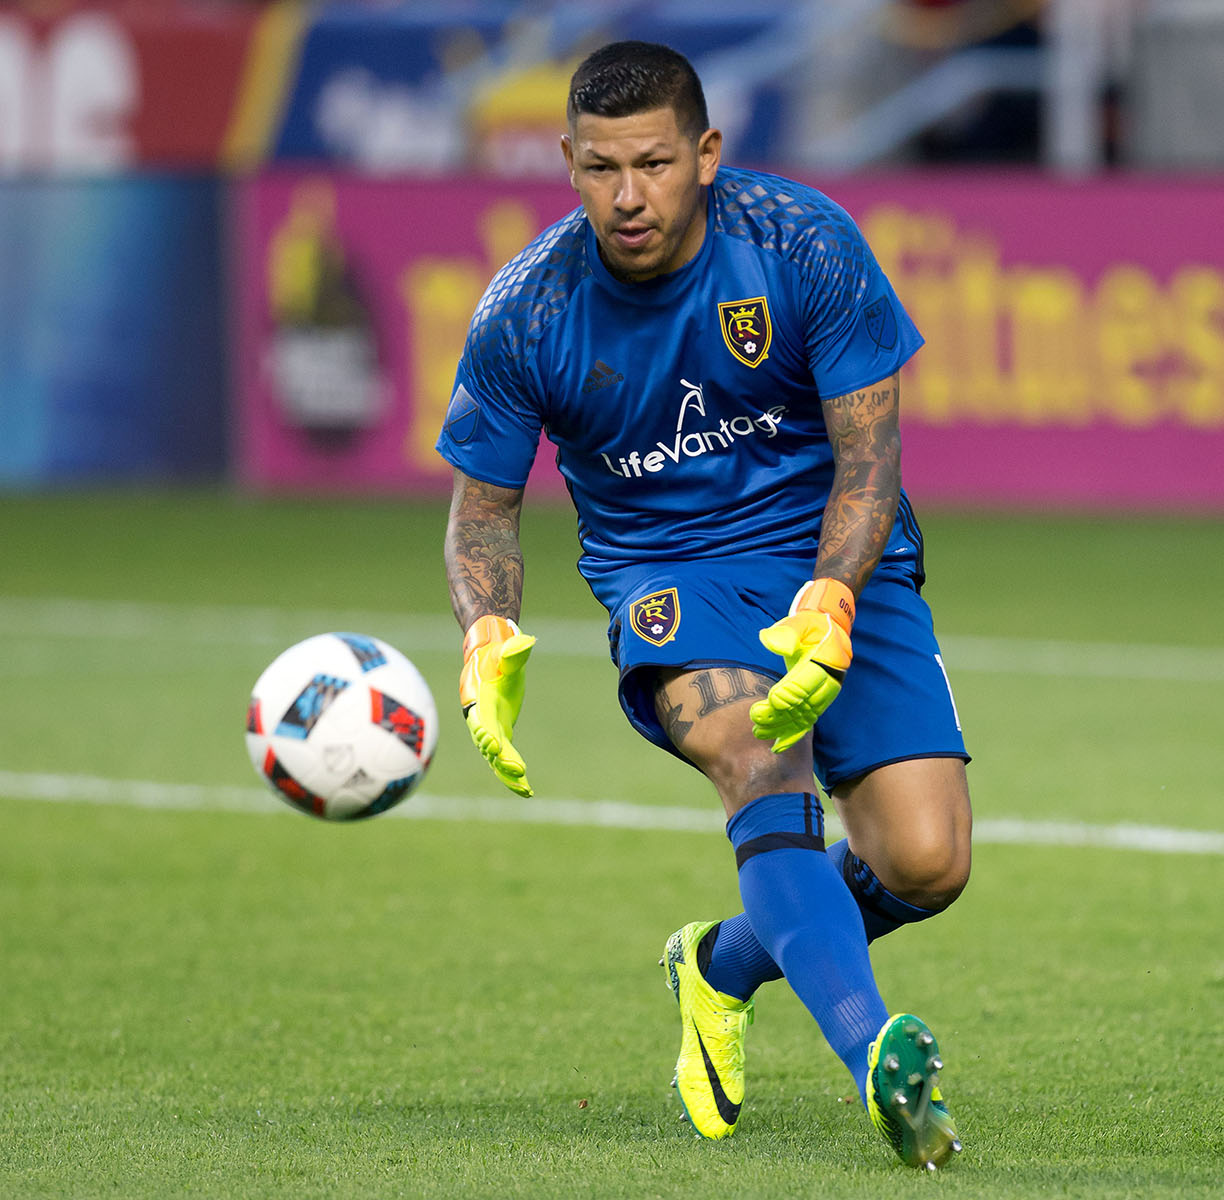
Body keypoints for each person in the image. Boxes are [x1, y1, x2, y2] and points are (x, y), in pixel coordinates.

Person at [437, 40, 972, 1170]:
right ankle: (878, 1054)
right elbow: (481, 513)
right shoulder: (526, 312)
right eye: (597, 169)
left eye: (653, 163)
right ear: (569, 164)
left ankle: (718, 965)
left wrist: (832, 594)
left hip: (833, 553)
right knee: (752, 754)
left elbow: (869, 459)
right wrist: (484, 629)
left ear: (707, 153)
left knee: (925, 864)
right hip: (669, 573)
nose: (627, 197)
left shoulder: (801, 243)